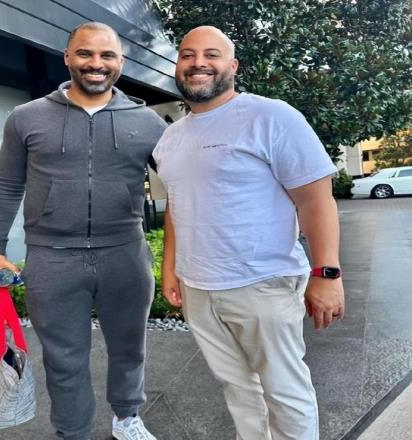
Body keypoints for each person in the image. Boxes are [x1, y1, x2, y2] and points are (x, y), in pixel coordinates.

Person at [153, 26, 345, 440]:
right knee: (238, 390)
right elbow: (177, 206)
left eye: (211, 54)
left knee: (285, 392)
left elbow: (316, 200)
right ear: (178, 65)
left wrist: (327, 273)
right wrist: (171, 268)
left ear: (233, 65)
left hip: (262, 283)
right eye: (187, 55)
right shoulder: (170, 138)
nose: (198, 63)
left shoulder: (271, 117)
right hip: (199, 288)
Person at [0, 22, 166, 440]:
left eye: (107, 55)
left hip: (125, 252)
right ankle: (73, 432)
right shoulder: (26, 118)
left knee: (130, 348)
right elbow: (6, 185)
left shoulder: (148, 122)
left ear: (120, 62)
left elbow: (187, 185)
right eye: (85, 53)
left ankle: (127, 418)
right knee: (64, 359)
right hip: (52, 257)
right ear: (67, 57)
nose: (96, 63)